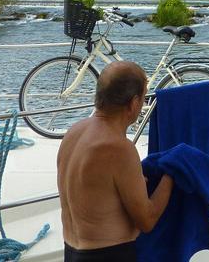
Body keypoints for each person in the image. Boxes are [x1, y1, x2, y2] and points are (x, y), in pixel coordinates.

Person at [57, 60, 174, 262]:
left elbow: (97, 193)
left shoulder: (73, 132)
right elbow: (147, 220)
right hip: (106, 255)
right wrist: (173, 171)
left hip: (72, 250)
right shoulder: (119, 148)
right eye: (144, 98)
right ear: (134, 102)